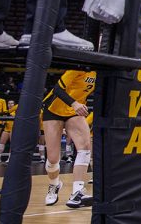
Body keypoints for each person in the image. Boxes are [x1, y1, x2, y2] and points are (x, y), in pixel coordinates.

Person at [41, 70, 96, 208]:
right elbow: (57, 89)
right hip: (53, 109)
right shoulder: (77, 69)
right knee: (53, 159)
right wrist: (74, 103)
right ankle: (54, 185)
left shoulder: (99, 73)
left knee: (85, 147)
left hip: (74, 113)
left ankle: (77, 192)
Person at [0, 99, 18, 164]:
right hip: (6, 129)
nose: (10, 105)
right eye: (9, 103)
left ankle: (10, 158)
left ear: (14, 104)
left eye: (12, 103)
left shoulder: (16, 111)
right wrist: (4, 119)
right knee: (1, 143)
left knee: (12, 144)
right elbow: (2, 123)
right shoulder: (6, 112)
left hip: (13, 130)